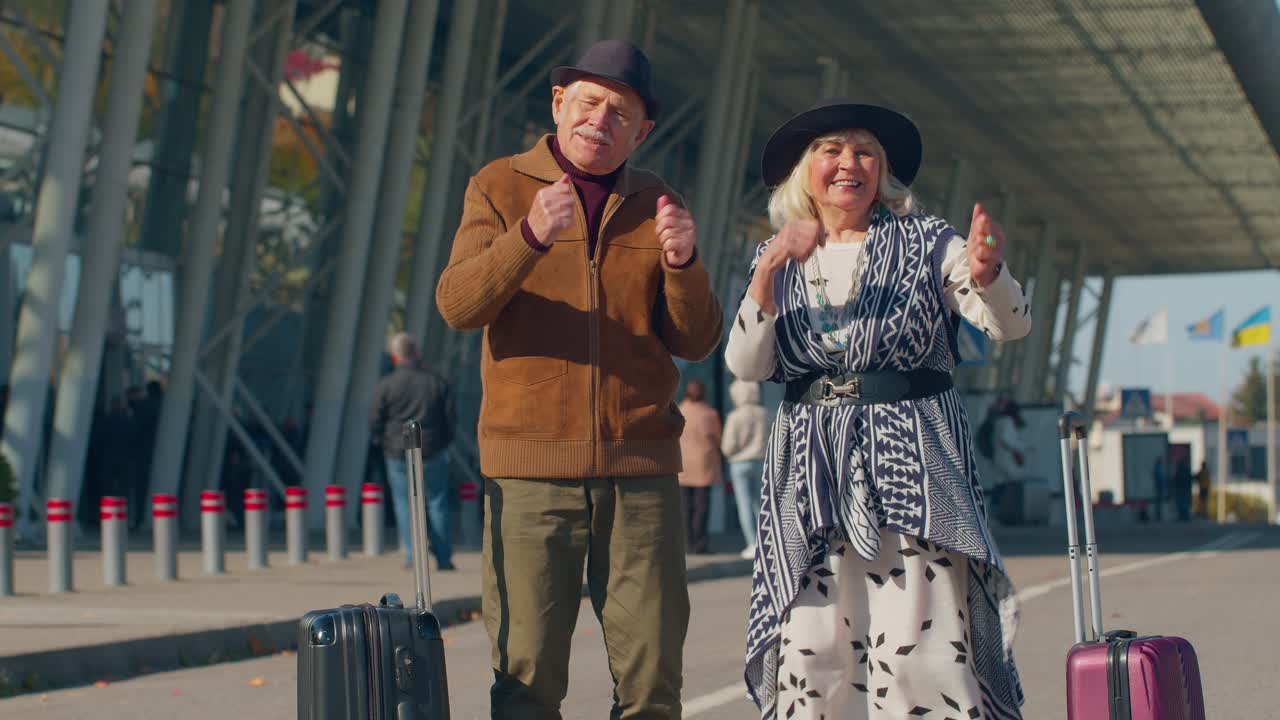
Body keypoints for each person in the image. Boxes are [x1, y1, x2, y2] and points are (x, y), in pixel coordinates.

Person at [434, 40, 723, 718]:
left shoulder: (659, 203)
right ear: (559, 103)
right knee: (526, 678)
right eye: (590, 102)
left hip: (641, 471)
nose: (602, 119)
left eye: (621, 112)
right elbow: (458, 304)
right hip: (530, 473)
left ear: (642, 131)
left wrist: (683, 264)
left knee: (654, 678)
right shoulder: (499, 187)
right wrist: (529, 237)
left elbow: (697, 339)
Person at [725, 99, 1031, 718]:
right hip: (812, 465)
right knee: (813, 648)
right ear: (803, 171)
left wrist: (988, 271)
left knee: (924, 647)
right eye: (831, 151)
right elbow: (746, 365)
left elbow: (1010, 326)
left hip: (913, 453)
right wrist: (768, 272)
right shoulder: (775, 257)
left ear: (883, 171)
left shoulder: (928, 241)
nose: (849, 164)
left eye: (864, 151)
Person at [369, 332, 456, 571]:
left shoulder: (386, 385)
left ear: (395, 357)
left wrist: (382, 442)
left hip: (397, 452)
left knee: (404, 503)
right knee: (437, 503)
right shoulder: (437, 382)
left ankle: (412, 556)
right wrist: (443, 442)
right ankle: (444, 557)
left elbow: (375, 419)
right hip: (432, 450)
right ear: (416, 353)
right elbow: (450, 419)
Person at [721, 378, 769, 559]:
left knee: (744, 504)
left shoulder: (735, 416)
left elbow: (728, 446)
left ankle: (752, 543)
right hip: (761, 460)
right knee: (761, 503)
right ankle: (765, 542)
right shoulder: (764, 413)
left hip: (739, 463)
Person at [678, 379, 722, 555]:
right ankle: (699, 544)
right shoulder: (710, 414)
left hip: (682, 464)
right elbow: (718, 440)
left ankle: (686, 543)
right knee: (701, 507)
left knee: (684, 507)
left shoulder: (679, 411)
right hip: (704, 465)